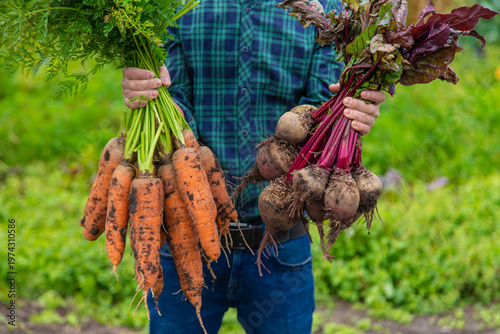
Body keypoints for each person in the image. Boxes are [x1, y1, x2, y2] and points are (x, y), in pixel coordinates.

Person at [121, 1, 386, 333]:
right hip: (185, 238)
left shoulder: (325, 10)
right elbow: (177, 103)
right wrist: (148, 93)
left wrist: (354, 109)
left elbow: (323, 108)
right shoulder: (177, 7)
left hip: (280, 243)